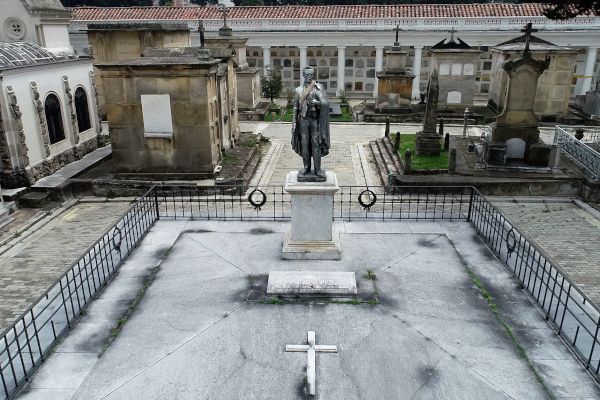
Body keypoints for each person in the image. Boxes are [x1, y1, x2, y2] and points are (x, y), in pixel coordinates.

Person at [291, 66, 330, 180]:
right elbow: (295, 107)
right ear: (303, 75)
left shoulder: (318, 88)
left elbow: (326, 103)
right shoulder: (298, 90)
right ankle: (306, 167)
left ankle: (317, 169)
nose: (309, 77)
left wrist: (317, 102)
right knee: (304, 144)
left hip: (315, 120)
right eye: (307, 75)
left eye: (311, 74)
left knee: (316, 144)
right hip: (303, 120)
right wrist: (294, 122)